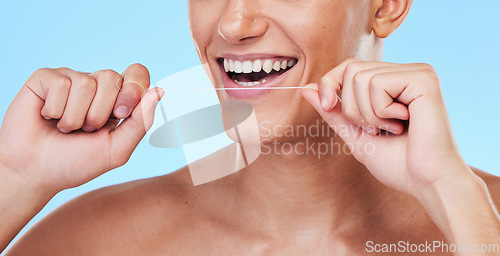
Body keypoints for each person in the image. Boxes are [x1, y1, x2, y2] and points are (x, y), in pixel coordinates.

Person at [1, 0, 499, 255]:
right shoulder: (95, 242)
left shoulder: (480, 221)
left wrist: (452, 193)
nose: (234, 24)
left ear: (387, 5)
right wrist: (15, 179)